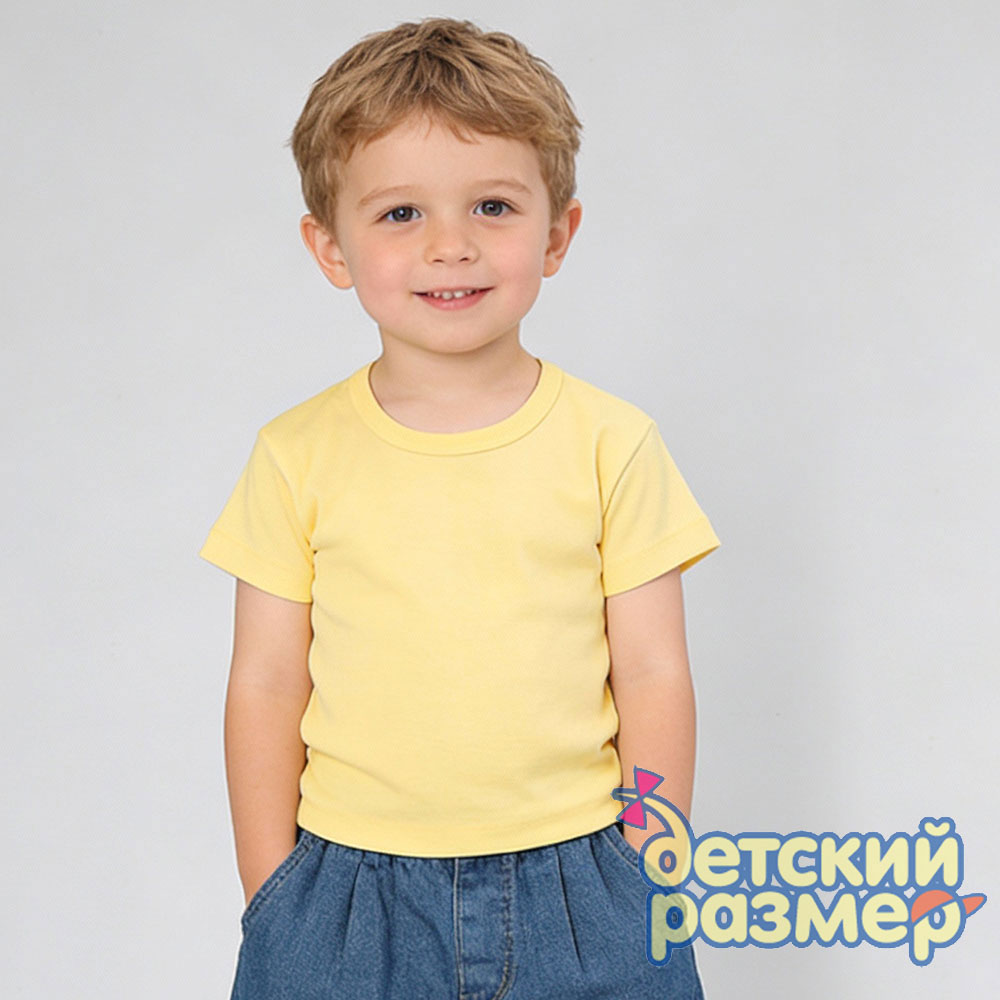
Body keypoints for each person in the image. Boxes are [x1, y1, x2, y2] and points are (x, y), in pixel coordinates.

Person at [199, 16, 720, 1000]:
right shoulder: (295, 454)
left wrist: (649, 868)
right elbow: (264, 681)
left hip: (583, 881)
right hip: (347, 895)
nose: (451, 246)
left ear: (556, 233)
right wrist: (274, 894)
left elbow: (654, 670)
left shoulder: (613, 443)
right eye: (401, 213)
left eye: (492, 205)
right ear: (330, 246)